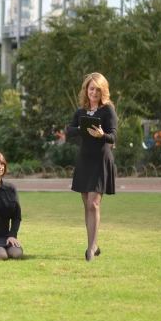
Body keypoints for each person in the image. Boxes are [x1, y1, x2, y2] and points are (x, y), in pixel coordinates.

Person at [66, 73, 117, 262]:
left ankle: (91, 249)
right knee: (87, 204)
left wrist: (102, 135)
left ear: (103, 91)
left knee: (94, 204)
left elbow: (113, 136)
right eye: (91, 88)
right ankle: (93, 245)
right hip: (84, 161)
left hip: (100, 160)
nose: (94, 92)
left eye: (98, 89)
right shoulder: (80, 112)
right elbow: (69, 131)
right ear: (86, 90)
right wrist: (81, 129)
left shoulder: (108, 110)